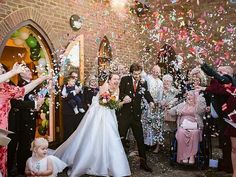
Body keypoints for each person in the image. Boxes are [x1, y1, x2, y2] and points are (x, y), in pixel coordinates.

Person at [54, 72, 131, 177]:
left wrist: (123, 102)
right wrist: (111, 102)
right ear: (109, 79)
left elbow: (115, 105)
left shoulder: (117, 89)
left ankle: (112, 164)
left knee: (110, 137)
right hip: (100, 114)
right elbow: (102, 101)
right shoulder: (105, 86)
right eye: (115, 79)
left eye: (118, 79)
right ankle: (90, 161)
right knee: (95, 136)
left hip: (110, 115)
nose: (116, 81)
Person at [0, 63, 49, 177]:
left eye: (2, 67)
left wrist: (41, 79)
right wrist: (13, 72)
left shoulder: (5, 88)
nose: (1, 69)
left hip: (3, 128)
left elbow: (23, 90)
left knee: (3, 156)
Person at [118, 63, 154, 172]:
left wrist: (151, 101)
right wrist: (125, 97)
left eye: (139, 74)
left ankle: (143, 163)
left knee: (140, 140)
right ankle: (119, 163)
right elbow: (120, 93)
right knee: (120, 139)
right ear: (131, 73)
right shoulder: (125, 80)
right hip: (124, 115)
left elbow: (146, 93)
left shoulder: (143, 82)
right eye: (135, 74)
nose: (137, 76)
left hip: (136, 116)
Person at [168, 90, 206, 164]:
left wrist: (197, 101)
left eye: (191, 95)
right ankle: (184, 156)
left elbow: (202, 111)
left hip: (195, 125)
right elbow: (171, 112)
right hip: (183, 125)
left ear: (195, 97)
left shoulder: (198, 106)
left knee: (194, 133)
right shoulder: (182, 105)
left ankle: (192, 156)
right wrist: (176, 111)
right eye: (188, 95)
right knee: (181, 132)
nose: (189, 97)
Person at [141, 65, 163, 153]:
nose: (156, 73)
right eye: (154, 71)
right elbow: (144, 90)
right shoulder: (147, 78)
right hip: (147, 103)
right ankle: (145, 143)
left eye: (158, 71)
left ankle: (152, 143)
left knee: (153, 124)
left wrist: (158, 102)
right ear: (152, 70)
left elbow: (160, 93)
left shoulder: (160, 82)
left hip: (155, 106)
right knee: (146, 123)